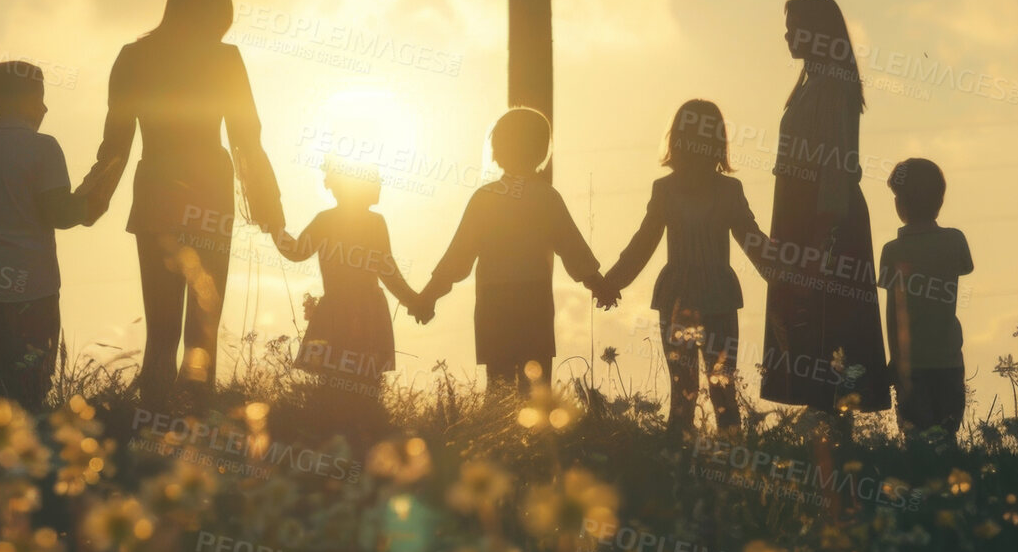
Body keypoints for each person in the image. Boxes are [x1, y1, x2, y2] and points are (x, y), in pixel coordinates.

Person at [77, 0, 284, 400]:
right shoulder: (225, 59)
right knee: (202, 335)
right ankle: (195, 433)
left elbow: (115, 144)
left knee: (161, 331)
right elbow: (248, 138)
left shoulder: (133, 57)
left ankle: (150, 432)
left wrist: (89, 201)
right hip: (210, 189)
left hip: (157, 190)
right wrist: (268, 204)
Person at [599, 100, 772, 437]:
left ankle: (683, 458)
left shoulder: (687, 190)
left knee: (692, 389)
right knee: (715, 389)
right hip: (707, 294)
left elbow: (643, 244)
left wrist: (611, 283)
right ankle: (725, 456)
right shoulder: (697, 190)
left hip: (687, 296)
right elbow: (754, 241)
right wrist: (786, 278)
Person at [757, 0, 890, 413]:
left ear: (815, 31)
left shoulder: (832, 86)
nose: (787, 34)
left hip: (823, 219)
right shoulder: (812, 84)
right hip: (803, 215)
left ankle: (830, 429)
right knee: (808, 321)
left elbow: (835, 165)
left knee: (826, 322)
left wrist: (821, 236)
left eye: (795, 26)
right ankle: (823, 426)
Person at [412, 108, 604, 396]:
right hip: (534, 300)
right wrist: (598, 283)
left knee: (498, 384)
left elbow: (458, 259)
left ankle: (498, 438)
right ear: (541, 151)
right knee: (536, 386)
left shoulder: (485, 199)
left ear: (497, 150)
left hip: (494, 301)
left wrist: (428, 296)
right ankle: (537, 437)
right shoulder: (546, 198)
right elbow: (572, 248)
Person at [0, 61, 87, 410]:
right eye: (40, 97)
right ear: (25, 100)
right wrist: (96, 193)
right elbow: (61, 214)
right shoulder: (44, 147)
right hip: (34, 292)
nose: (44, 107)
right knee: (31, 395)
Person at [273, 158, 419, 431]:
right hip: (368, 314)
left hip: (335, 312)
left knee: (332, 385)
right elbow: (388, 272)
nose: (380, 185)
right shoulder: (375, 222)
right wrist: (416, 302)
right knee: (366, 388)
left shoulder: (325, 220)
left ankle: (334, 438)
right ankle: (363, 439)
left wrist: (274, 226)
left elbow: (295, 251)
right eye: (376, 180)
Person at [878, 158, 973, 439]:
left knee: (915, 438)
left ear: (900, 203)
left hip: (911, 366)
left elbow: (892, 314)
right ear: (940, 199)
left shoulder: (892, 251)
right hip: (949, 359)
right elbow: (965, 267)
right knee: (947, 435)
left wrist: (894, 359)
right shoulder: (955, 240)